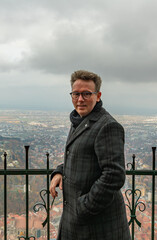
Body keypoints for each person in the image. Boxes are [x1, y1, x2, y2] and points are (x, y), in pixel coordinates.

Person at [50, 70, 130, 240]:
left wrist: (83, 208)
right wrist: (59, 171)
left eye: (86, 94)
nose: (80, 99)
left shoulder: (107, 126)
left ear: (98, 95)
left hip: (98, 226)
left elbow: (114, 175)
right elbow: (80, 157)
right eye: (76, 94)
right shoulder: (80, 121)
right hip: (79, 224)